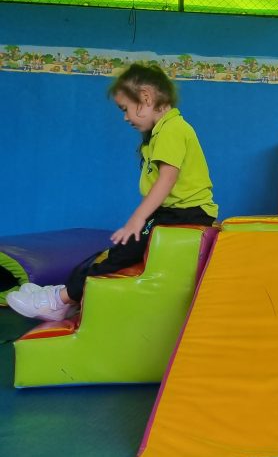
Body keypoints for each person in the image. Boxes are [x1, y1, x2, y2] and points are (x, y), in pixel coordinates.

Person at [7, 62, 218, 321]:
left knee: (122, 254)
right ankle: (66, 294)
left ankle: (60, 300)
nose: (125, 117)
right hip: (178, 212)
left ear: (146, 98)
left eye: (125, 109)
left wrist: (138, 219)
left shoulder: (172, 129)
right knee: (117, 251)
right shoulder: (164, 131)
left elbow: (167, 178)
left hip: (186, 214)